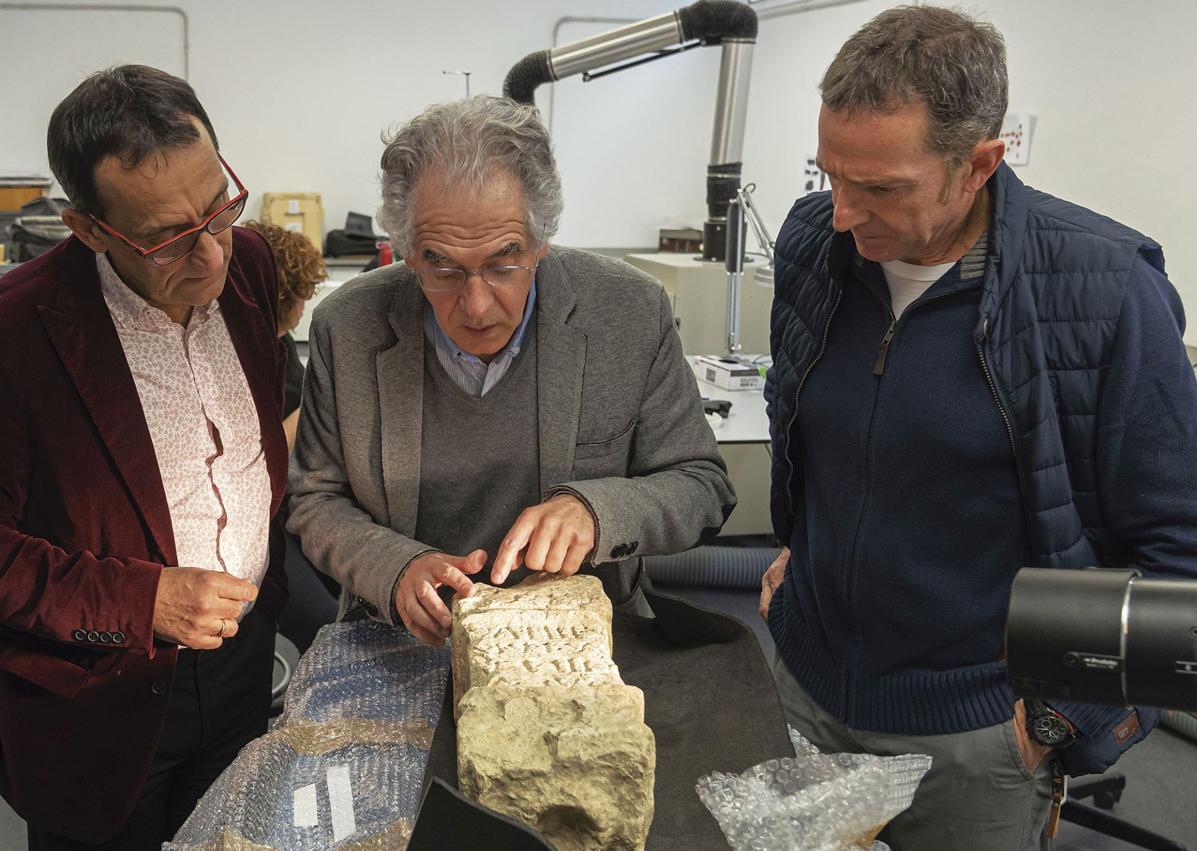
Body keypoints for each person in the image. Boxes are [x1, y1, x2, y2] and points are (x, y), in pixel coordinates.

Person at [760, 6, 1197, 850]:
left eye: (881, 187)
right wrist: (799, 545)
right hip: (808, 686)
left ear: (980, 164)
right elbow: (811, 426)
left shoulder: (1105, 291)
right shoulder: (813, 243)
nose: (843, 212)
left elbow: (1178, 551)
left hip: (980, 733)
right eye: (830, 175)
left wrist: (1066, 717)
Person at [287, 96, 735, 645]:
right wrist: (395, 567)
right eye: (442, 266)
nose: (476, 306)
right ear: (404, 250)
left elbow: (701, 486)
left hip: (583, 639)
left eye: (504, 262)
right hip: (403, 637)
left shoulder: (628, 311)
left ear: (542, 240)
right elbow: (315, 498)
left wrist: (596, 511)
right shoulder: (349, 326)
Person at [0, 65, 289, 849]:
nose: (211, 257)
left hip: (241, 664)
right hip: (102, 699)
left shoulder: (251, 263)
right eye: (166, 237)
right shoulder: (19, 332)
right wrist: (142, 602)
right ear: (88, 228)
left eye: (220, 208)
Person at [240, 219, 325, 450]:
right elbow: (267, 454)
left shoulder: (280, 338)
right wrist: (315, 406)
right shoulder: (245, 362)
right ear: (283, 296)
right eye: (304, 295)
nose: (305, 305)